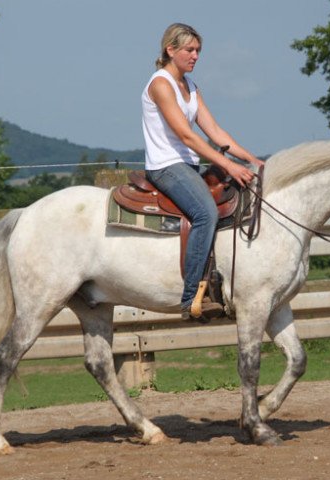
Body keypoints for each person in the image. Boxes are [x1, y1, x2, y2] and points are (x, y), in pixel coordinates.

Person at [142, 23, 264, 318]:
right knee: (205, 212)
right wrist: (228, 165)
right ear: (170, 50)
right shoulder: (161, 84)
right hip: (166, 166)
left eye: (198, 51)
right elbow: (187, 136)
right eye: (189, 50)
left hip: (188, 166)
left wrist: (254, 162)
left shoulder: (191, 88)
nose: (196, 56)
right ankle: (190, 298)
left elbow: (216, 133)